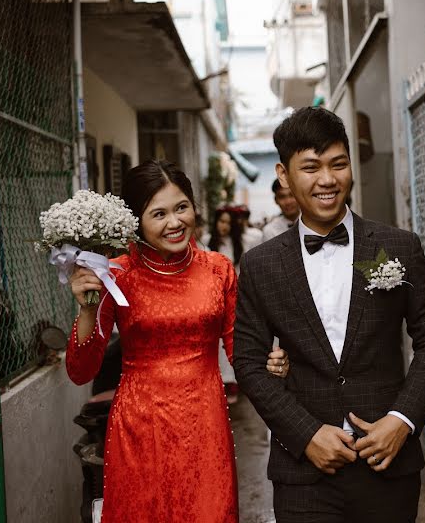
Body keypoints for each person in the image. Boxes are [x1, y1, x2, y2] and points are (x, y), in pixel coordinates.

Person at [233, 106, 425, 523]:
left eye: (338, 164)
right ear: (284, 175)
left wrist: (401, 420)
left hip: (387, 464)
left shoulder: (399, 247)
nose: (327, 180)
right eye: (311, 167)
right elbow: (247, 362)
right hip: (303, 473)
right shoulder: (261, 265)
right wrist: (306, 434)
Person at [65, 160, 287, 522]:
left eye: (182, 207)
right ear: (137, 222)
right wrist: (87, 310)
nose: (175, 222)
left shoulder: (218, 270)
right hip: (140, 429)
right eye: (159, 214)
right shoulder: (117, 275)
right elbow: (81, 370)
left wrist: (271, 362)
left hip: (205, 425)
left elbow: (242, 355)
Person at [203, 207, 244, 272]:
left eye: (229, 223)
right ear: (216, 221)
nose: (225, 226)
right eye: (222, 221)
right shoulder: (206, 239)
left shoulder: (235, 242)